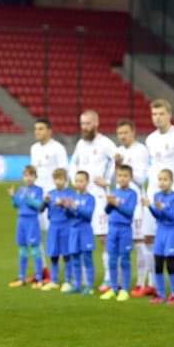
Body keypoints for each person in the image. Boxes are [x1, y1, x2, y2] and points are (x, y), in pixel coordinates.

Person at [143, 99, 174, 295]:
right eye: (154, 114)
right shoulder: (150, 139)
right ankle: (154, 284)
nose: (157, 117)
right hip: (153, 196)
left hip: (172, 198)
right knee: (149, 239)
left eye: (161, 114)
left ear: (169, 114)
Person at [69, 110, 116, 292]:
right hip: (82, 198)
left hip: (99, 197)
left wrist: (108, 180)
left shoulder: (105, 143)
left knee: (104, 238)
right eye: (82, 124)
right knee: (79, 236)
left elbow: (118, 161)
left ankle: (108, 278)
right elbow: (73, 163)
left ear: (96, 123)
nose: (85, 127)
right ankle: (80, 280)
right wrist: (76, 180)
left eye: (88, 124)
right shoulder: (80, 144)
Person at [114, 120, 155, 297]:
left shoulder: (141, 150)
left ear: (133, 132)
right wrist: (117, 166)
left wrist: (124, 167)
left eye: (125, 132)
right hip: (121, 201)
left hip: (137, 202)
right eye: (120, 133)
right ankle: (121, 283)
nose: (123, 136)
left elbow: (140, 178)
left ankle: (143, 283)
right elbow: (115, 178)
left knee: (140, 244)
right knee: (120, 245)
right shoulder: (119, 152)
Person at [30, 117, 68, 282]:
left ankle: (56, 272)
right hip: (38, 198)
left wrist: (59, 194)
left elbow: (63, 171)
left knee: (54, 236)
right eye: (36, 129)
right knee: (36, 236)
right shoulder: (34, 148)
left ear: (49, 131)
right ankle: (42, 270)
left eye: (41, 129)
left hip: (53, 199)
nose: (37, 132)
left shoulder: (57, 148)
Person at [144, 169, 174, 305]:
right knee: (158, 264)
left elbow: (172, 216)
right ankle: (160, 294)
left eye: (165, 179)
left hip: (171, 232)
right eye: (160, 179)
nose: (162, 182)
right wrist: (150, 207)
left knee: (170, 265)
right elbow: (158, 216)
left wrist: (162, 209)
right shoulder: (157, 196)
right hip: (160, 232)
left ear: (172, 181)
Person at [100, 165, 137, 302]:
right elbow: (107, 211)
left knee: (125, 260)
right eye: (120, 176)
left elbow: (129, 212)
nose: (122, 178)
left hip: (125, 229)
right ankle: (114, 288)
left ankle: (125, 290)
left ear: (130, 178)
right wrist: (109, 204)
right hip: (112, 229)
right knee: (112, 260)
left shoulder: (132, 194)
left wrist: (116, 204)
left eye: (125, 176)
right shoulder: (114, 191)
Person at [7, 165, 44, 289]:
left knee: (35, 249)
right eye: (26, 176)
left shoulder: (38, 190)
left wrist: (28, 197)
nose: (28, 178)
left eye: (31, 175)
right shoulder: (21, 189)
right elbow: (16, 205)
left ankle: (39, 278)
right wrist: (12, 196)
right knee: (22, 249)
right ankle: (22, 278)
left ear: (35, 177)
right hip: (21, 221)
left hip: (32, 221)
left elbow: (39, 205)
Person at [40, 168, 74, 292]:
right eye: (56, 179)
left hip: (66, 227)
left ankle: (67, 281)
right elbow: (40, 210)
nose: (58, 182)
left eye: (61, 179)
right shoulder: (51, 194)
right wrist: (44, 202)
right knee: (53, 254)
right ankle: (54, 281)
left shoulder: (70, 194)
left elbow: (74, 213)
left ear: (65, 180)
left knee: (66, 254)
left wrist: (66, 206)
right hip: (53, 227)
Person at [63, 170, 96, 295]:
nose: (78, 183)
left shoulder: (90, 198)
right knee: (75, 258)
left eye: (81, 181)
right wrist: (67, 208)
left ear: (87, 182)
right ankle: (77, 284)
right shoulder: (73, 197)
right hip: (74, 232)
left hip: (85, 231)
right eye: (76, 181)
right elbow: (70, 216)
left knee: (87, 258)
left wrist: (76, 208)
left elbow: (88, 215)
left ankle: (89, 286)